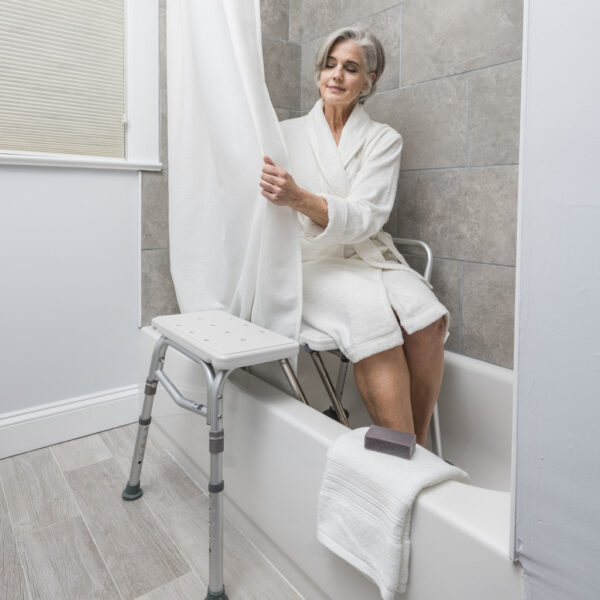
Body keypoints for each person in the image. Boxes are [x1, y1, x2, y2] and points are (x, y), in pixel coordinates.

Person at [259, 27, 448, 446]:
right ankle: (404, 461)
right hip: (311, 260)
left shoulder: (383, 139)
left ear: (368, 81)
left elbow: (367, 215)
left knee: (429, 320)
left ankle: (414, 451)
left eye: (350, 68)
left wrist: (299, 197)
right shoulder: (285, 133)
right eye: (329, 65)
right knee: (370, 315)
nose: (336, 76)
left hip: (366, 254)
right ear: (319, 72)